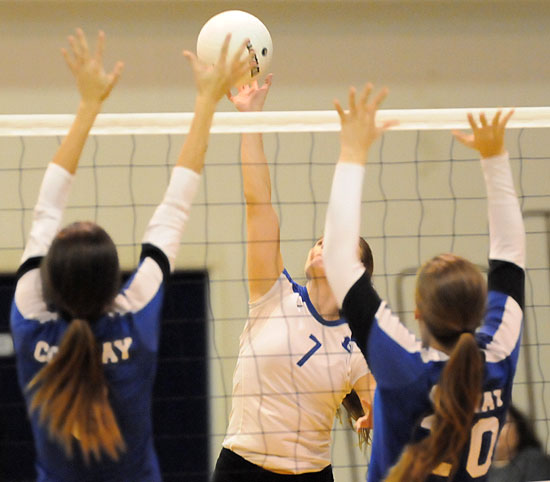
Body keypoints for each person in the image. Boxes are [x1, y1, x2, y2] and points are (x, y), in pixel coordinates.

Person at [10, 29, 254, 481]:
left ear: (51, 281)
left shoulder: (29, 318)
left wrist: (87, 105)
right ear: (114, 285)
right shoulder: (134, 313)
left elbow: (46, 210)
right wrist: (206, 101)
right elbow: (173, 212)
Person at [323, 83, 525, 481]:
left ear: (417, 314)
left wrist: (353, 152)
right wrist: (495, 158)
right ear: (482, 309)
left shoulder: (406, 369)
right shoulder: (498, 358)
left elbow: (338, 262)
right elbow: (511, 260)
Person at [212, 75, 375, 482]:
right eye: (320, 240)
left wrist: (378, 415)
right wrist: (250, 119)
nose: (322, 245)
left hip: (310, 475)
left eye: (336, 243)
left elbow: (386, 411)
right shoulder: (273, 292)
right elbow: (258, 202)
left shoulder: (360, 343)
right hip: (240, 469)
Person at [488, 404, 550, 482]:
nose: (495, 430)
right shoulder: (475, 470)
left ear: (518, 430)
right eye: (488, 425)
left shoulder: (533, 461)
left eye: (502, 422)